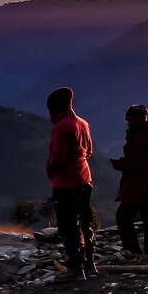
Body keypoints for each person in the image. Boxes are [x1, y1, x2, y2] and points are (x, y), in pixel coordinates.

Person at [45, 87, 97, 282]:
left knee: (69, 226)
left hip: (66, 182)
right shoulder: (83, 123)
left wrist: (49, 168)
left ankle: (75, 268)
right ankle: (90, 265)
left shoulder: (61, 128)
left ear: (54, 109)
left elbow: (58, 158)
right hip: (85, 178)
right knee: (85, 222)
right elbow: (89, 151)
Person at [111, 105, 148, 255]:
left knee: (123, 217)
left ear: (134, 120)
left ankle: (132, 251)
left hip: (138, 184)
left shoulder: (140, 137)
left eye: (129, 120)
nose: (127, 123)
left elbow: (136, 162)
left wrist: (118, 163)